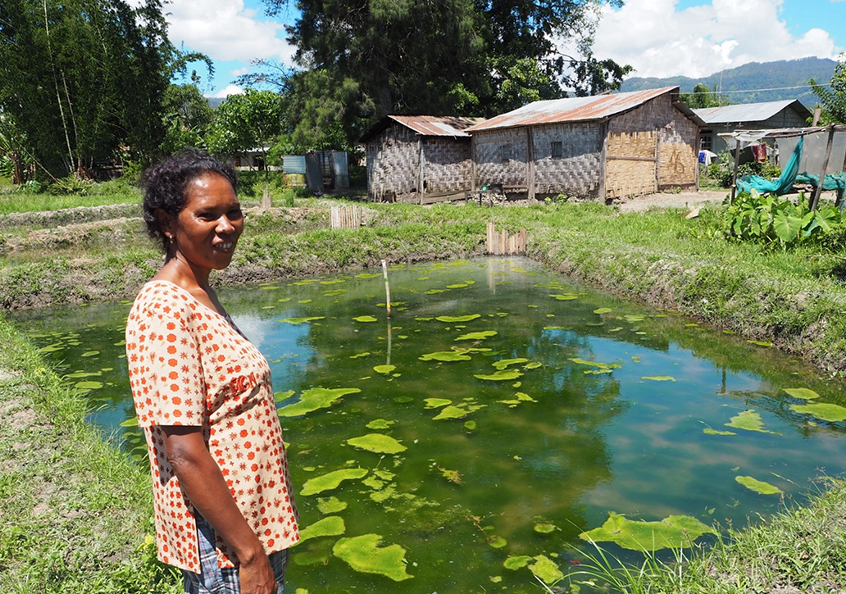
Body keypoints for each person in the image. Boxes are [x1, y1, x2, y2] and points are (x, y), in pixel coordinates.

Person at [125, 149, 299, 594]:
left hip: (254, 520)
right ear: (167, 222)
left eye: (233, 212)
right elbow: (183, 451)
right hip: (222, 542)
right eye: (207, 215)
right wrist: (249, 554)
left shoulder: (201, 292)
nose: (226, 226)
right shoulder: (165, 309)